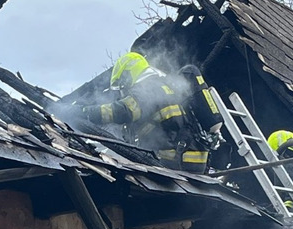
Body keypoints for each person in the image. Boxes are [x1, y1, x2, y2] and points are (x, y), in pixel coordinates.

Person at [75, 52, 210, 174]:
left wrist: (85, 112)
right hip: (193, 161)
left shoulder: (148, 87)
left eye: (121, 85)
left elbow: (123, 111)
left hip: (176, 162)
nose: (122, 92)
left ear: (128, 76)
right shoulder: (166, 85)